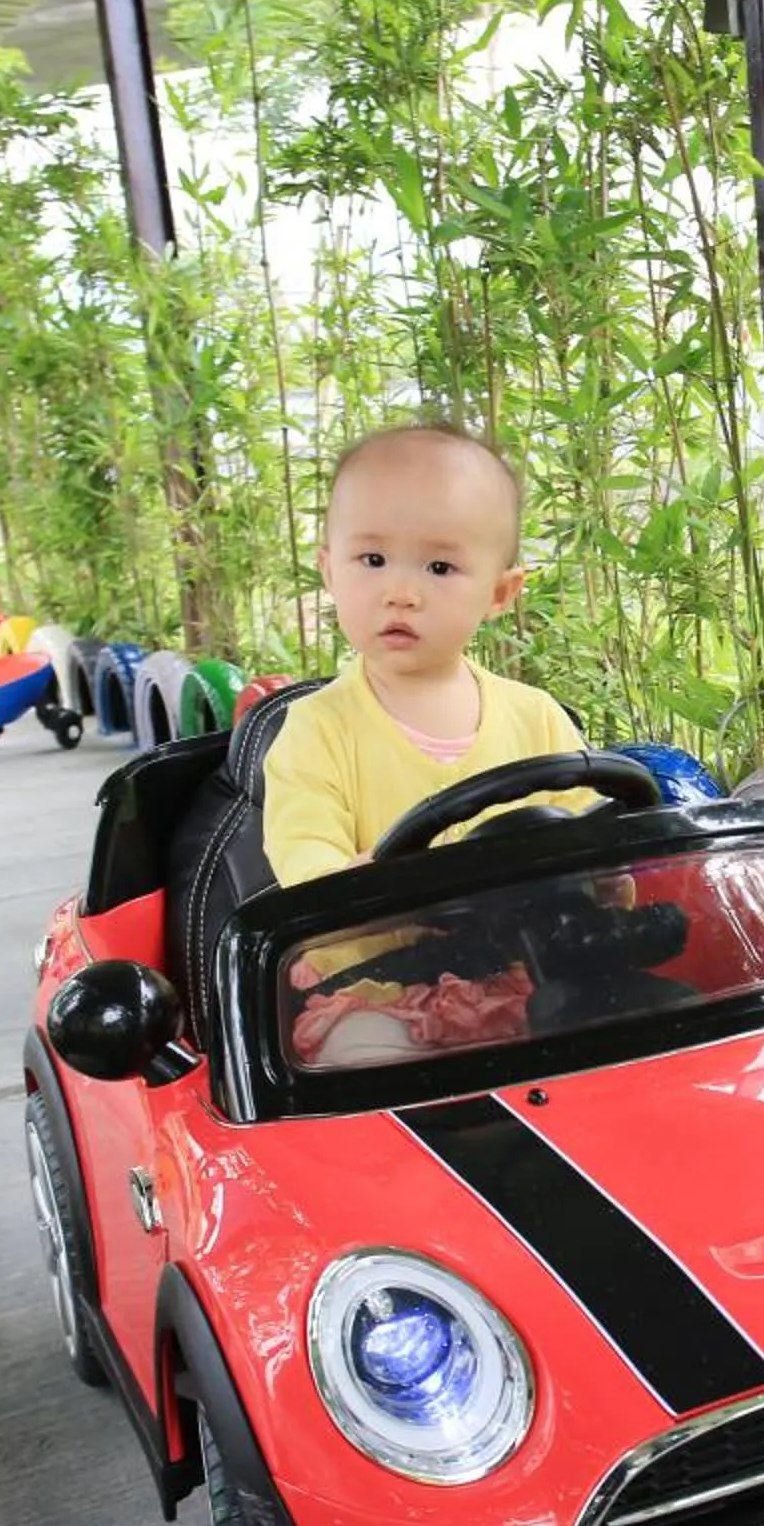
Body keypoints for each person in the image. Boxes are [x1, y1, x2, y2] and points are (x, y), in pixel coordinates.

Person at [263, 424, 590, 1064]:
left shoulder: (538, 719)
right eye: (372, 560)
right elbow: (308, 874)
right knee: (363, 1062)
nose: (401, 593)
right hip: (376, 991)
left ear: (500, 592)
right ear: (329, 570)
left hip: (531, 978)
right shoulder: (315, 732)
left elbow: (598, 851)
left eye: (439, 567)